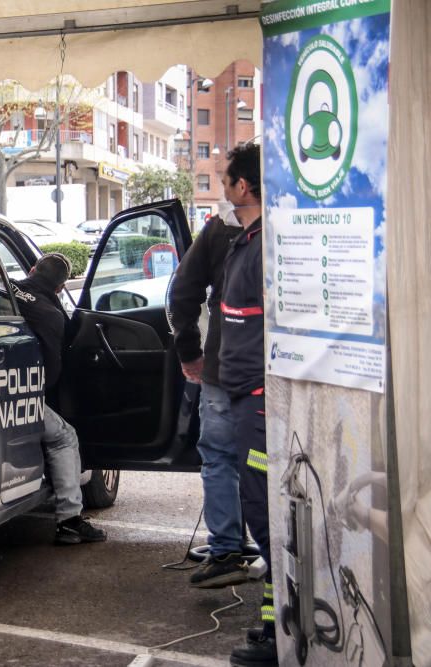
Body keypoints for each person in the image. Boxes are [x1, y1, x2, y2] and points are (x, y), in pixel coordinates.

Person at [216, 143, 274, 667]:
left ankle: (281, 632)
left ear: (243, 186)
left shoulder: (264, 246)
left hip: (256, 401)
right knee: (260, 509)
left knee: (264, 510)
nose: (221, 184)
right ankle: (276, 623)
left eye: (226, 177)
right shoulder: (244, 240)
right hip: (240, 396)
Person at [167, 212, 246, 589]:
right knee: (282, 461)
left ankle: (228, 551)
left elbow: (182, 292)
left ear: (243, 186)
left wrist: (188, 352)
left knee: (220, 456)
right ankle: (286, 553)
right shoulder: (298, 218)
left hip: (224, 366)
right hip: (286, 368)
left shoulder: (220, 229)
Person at [12, 253, 107, 546]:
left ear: (31, 269)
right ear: (58, 289)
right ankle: (69, 521)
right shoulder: (53, 316)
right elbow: (50, 375)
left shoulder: (6, 289)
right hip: (19, 401)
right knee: (65, 436)